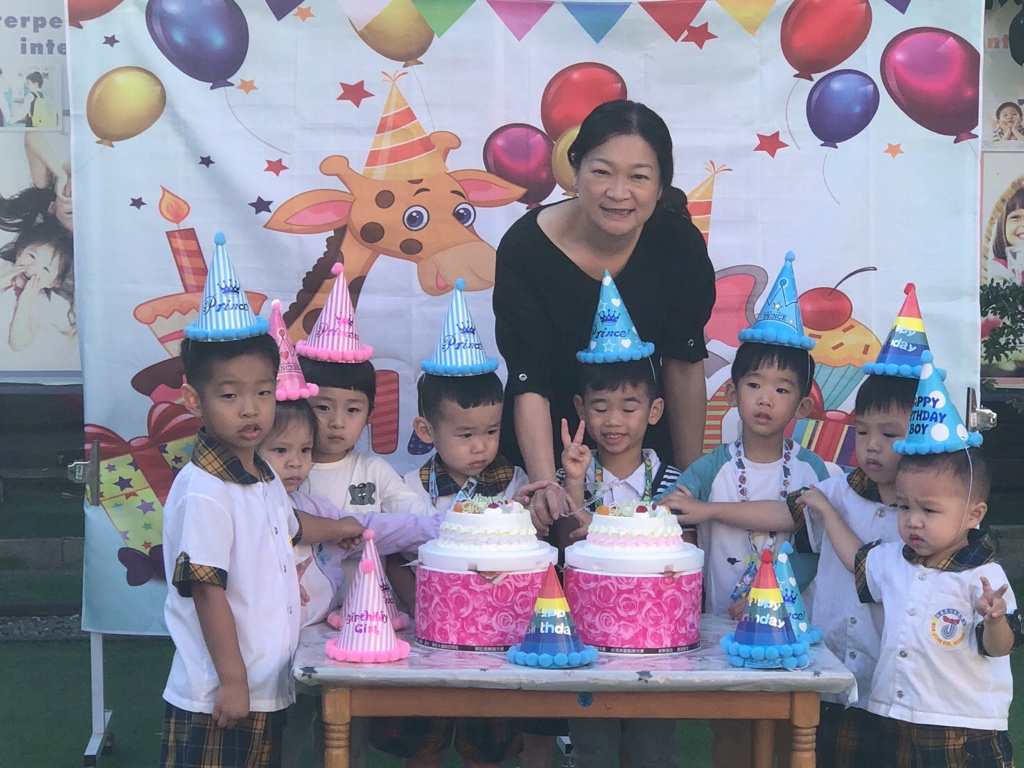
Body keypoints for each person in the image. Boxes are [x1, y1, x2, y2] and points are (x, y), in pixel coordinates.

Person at [492, 99, 715, 547]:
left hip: (640, 455)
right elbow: (528, 379)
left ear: (661, 185)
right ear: (574, 171)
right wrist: (547, 489)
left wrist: (691, 485)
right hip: (548, 447)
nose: (618, 192)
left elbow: (684, 364)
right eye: (601, 172)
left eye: (638, 176)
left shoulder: (679, 245)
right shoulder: (525, 248)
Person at [660, 254, 841, 768]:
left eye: (782, 389)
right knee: (733, 735)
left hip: (792, 631)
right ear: (732, 392)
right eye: (755, 384)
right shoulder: (708, 468)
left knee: (788, 736)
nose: (766, 399)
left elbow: (810, 544)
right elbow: (668, 518)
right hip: (726, 629)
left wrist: (772, 597)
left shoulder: (813, 472)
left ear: (802, 406)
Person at [160, 333, 368, 768]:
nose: (250, 409)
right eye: (230, 395)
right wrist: (233, 681)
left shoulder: (263, 475)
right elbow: (206, 590)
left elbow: (292, 527)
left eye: (263, 392)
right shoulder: (206, 490)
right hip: (219, 694)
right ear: (194, 400)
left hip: (263, 686)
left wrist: (339, 529)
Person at [804, 395, 1021, 767]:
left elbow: (1000, 648)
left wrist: (995, 620)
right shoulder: (892, 560)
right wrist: (827, 510)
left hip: (963, 726)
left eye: (929, 509)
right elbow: (855, 559)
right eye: (904, 507)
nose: (913, 520)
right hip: (895, 719)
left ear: (974, 514)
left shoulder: (984, 577)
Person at [259, 398, 442, 768]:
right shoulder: (253, 505)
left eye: (304, 450)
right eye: (280, 450)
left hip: (315, 643)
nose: (295, 462)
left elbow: (375, 527)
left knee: (341, 737)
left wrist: (447, 527)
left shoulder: (316, 506)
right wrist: (336, 531)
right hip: (268, 654)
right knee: (279, 741)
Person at [560, 358, 684, 768]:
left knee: (652, 751)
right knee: (592, 748)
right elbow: (564, 547)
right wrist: (573, 483)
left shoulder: (672, 482)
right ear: (581, 408)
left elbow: (683, 554)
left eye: (629, 407)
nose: (613, 420)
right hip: (588, 637)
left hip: (655, 639)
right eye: (600, 407)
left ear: (654, 410)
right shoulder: (571, 477)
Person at [791, 374, 915, 766]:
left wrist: (828, 514)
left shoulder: (922, 518)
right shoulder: (837, 490)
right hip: (831, 671)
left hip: (890, 681)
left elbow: (869, 574)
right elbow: (782, 514)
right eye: (862, 431)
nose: (872, 445)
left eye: (889, 434)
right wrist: (708, 510)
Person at [0, 214, 74, 352]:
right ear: (20, 253)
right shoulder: (2, 266)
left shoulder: (40, 303)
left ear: (53, 282)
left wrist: (24, 306)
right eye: (32, 256)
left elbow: (18, 345)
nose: (32, 268)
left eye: (46, 269)